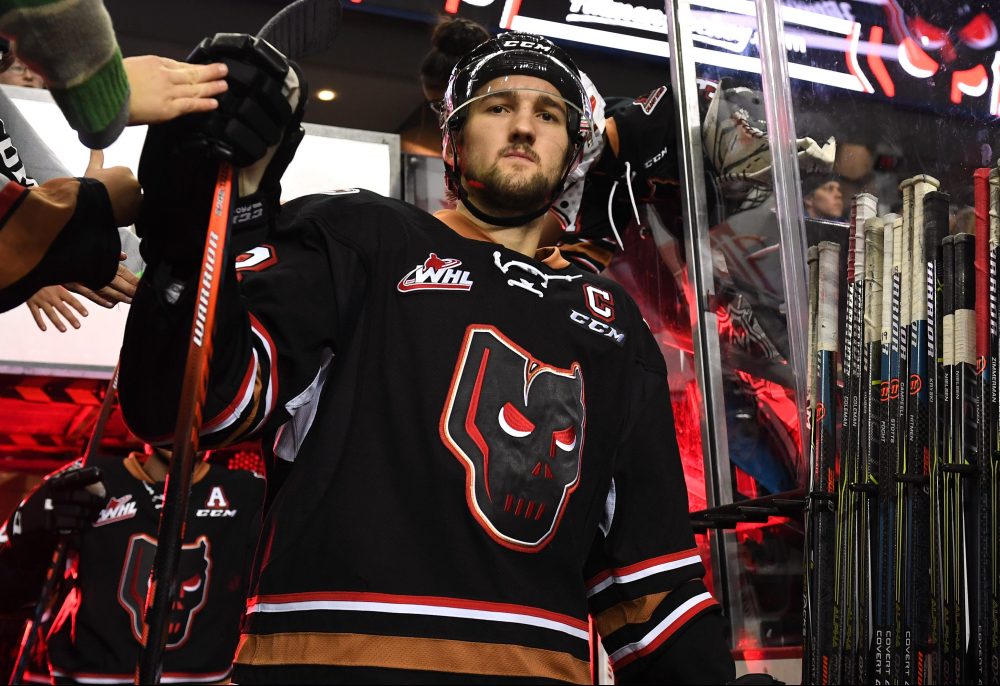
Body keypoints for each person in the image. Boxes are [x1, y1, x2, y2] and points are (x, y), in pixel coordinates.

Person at [117, 30, 734, 684]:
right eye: (497, 107)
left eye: (547, 113)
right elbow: (191, 403)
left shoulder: (612, 321)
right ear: (453, 138)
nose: (523, 124)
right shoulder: (361, 238)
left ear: (576, 147)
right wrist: (190, 242)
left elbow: (650, 587)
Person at [0, 447, 264, 684]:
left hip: (206, 677)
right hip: (90, 677)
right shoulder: (89, 478)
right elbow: (9, 591)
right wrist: (28, 538)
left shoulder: (247, 492)